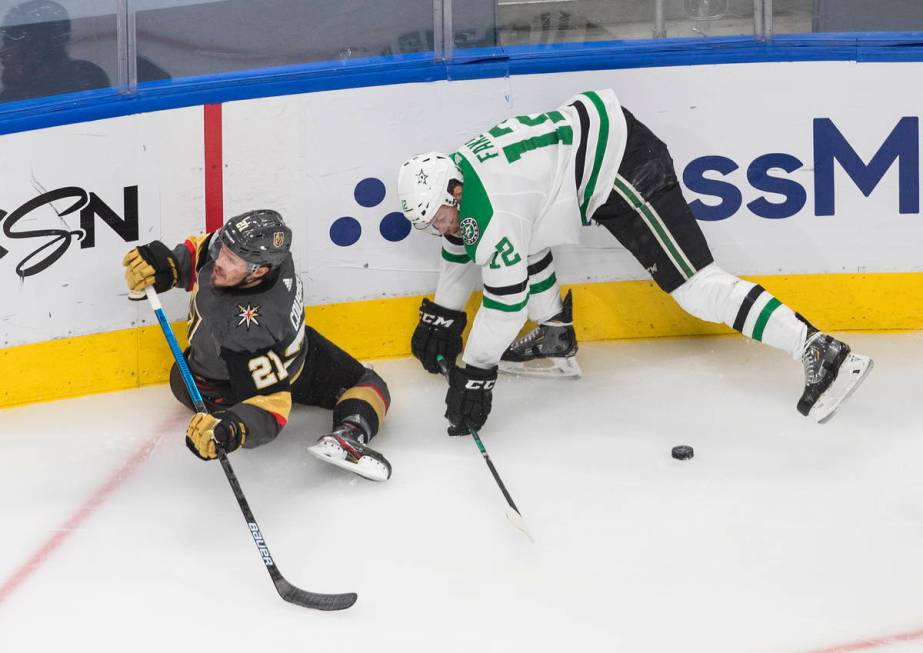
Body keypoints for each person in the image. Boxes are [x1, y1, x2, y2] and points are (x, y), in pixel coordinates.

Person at [398, 89, 873, 436]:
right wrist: (445, 312)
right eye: (432, 222)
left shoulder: (492, 210)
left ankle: (820, 351)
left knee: (696, 286)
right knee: (526, 244)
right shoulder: (460, 180)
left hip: (626, 163)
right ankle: (554, 337)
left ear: (455, 191)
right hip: (595, 148)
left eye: (442, 216)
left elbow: (505, 305)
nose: (442, 227)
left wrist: (477, 373)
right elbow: (464, 244)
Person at [122, 209, 392, 481]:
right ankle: (351, 430)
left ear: (259, 271)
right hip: (220, 391)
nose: (219, 259)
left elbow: (272, 405)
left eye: (231, 258)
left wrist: (164, 265)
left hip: (275, 353)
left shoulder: (254, 313)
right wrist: (230, 430)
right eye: (223, 249)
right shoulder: (254, 290)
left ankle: (346, 437)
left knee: (367, 382)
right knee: (368, 384)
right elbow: (270, 404)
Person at [0, 0, 110, 103]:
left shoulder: (83, 81)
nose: (2, 52)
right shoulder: (10, 97)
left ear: (37, 49)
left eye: (10, 42)